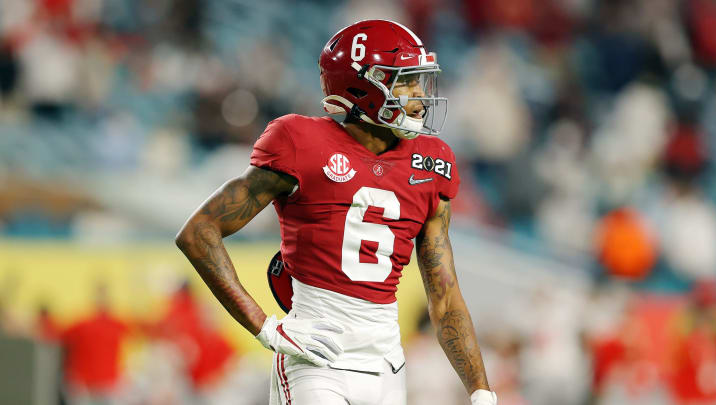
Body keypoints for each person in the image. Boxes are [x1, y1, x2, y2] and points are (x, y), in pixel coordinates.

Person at [176, 19, 496, 405]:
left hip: (387, 365)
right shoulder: (300, 141)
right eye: (405, 81)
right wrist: (265, 328)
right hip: (316, 358)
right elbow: (199, 231)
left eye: (419, 81)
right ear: (364, 85)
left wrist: (481, 391)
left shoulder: (432, 162)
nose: (419, 96)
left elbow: (445, 297)